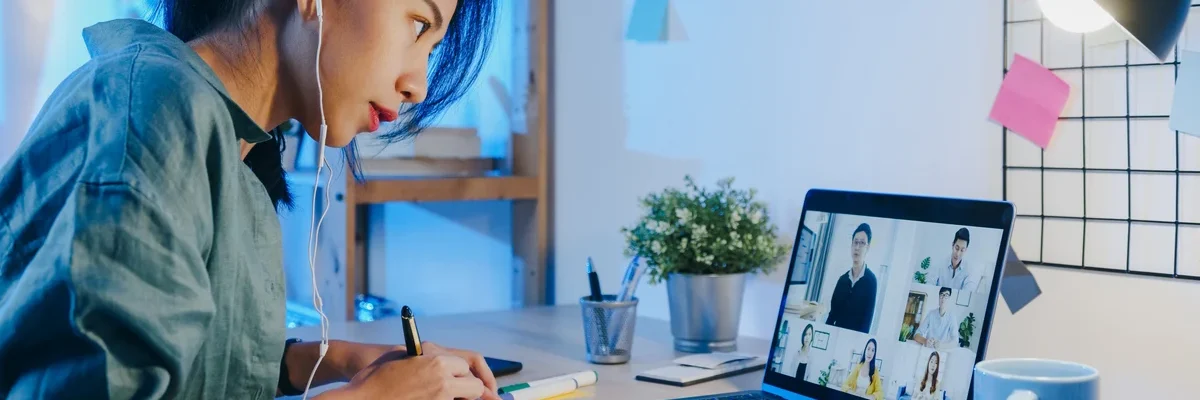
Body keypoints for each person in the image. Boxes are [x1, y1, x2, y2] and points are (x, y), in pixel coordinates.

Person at [0, 1, 501, 399]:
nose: (418, 84)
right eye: (418, 25)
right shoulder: (156, 116)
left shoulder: (230, 142)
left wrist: (344, 361)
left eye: (431, 49)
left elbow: (201, 366)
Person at [826, 223, 878, 333]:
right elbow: (832, 315)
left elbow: (867, 321)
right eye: (855, 242)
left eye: (862, 243)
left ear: (867, 247)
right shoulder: (842, 280)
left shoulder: (871, 281)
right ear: (851, 245)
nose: (857, 247)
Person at [931, 228, 979, 292]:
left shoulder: (969, 271)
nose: (958, 253)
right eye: (957, 248)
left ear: (966, 250)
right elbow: (930, 287)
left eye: (962, 250)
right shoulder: (939, 264)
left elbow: (967, 293)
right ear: (952, 245)